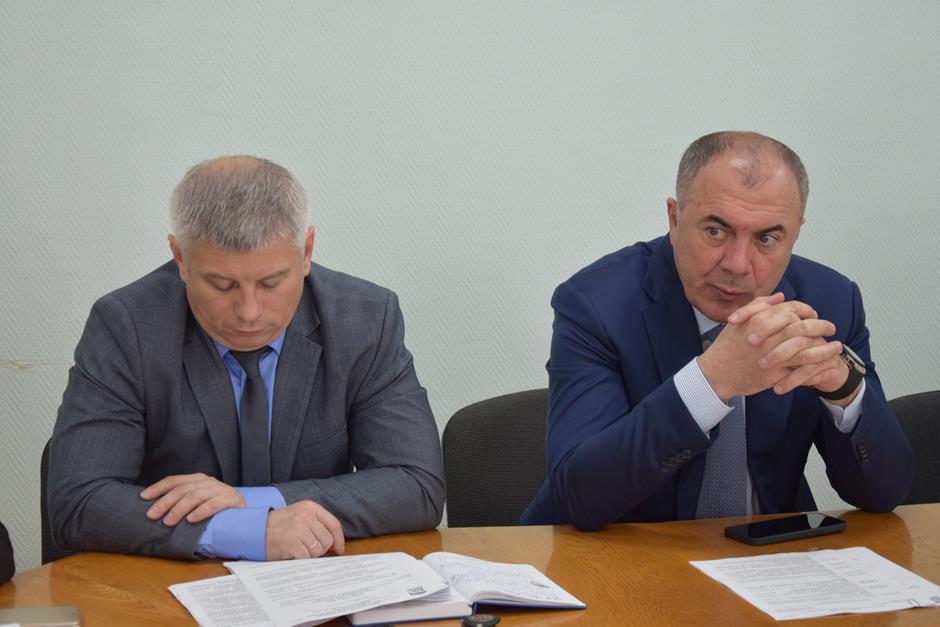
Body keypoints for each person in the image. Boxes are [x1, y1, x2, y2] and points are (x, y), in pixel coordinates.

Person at [50, 156, 445, 560]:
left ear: (306, 251)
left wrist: (254, 504)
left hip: (314, 580)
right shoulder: (128, 325)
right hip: (167, 581)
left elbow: (416, 485)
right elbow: (78, 501)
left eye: (271, 282)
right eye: (222, 285)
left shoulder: (364, 319)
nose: (249, 312)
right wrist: (245, 530)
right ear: (180, 259)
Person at [521, 131, 913, 529]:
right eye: (715, 231)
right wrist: (711, 382)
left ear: (795, 232)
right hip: (615, 555)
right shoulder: (595, 305)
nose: (737, 264)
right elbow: (578, 496)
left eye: (766, 238)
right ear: (675, 219)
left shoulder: (830, 302)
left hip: (766, 557)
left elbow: (886, 494)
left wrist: (844, 391)